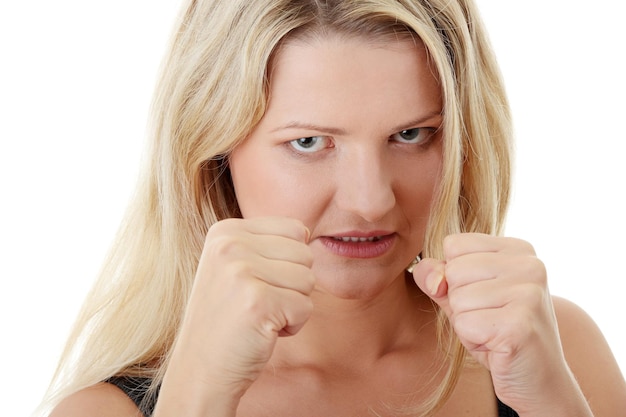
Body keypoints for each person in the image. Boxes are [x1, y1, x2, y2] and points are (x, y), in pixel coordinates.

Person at [39, 0, 626, 416]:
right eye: (309, 143)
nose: (370, 200)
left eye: (413, 135)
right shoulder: (103, 412)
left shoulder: (558, 351)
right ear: (213, 151)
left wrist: (553, 406)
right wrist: (198, 399)